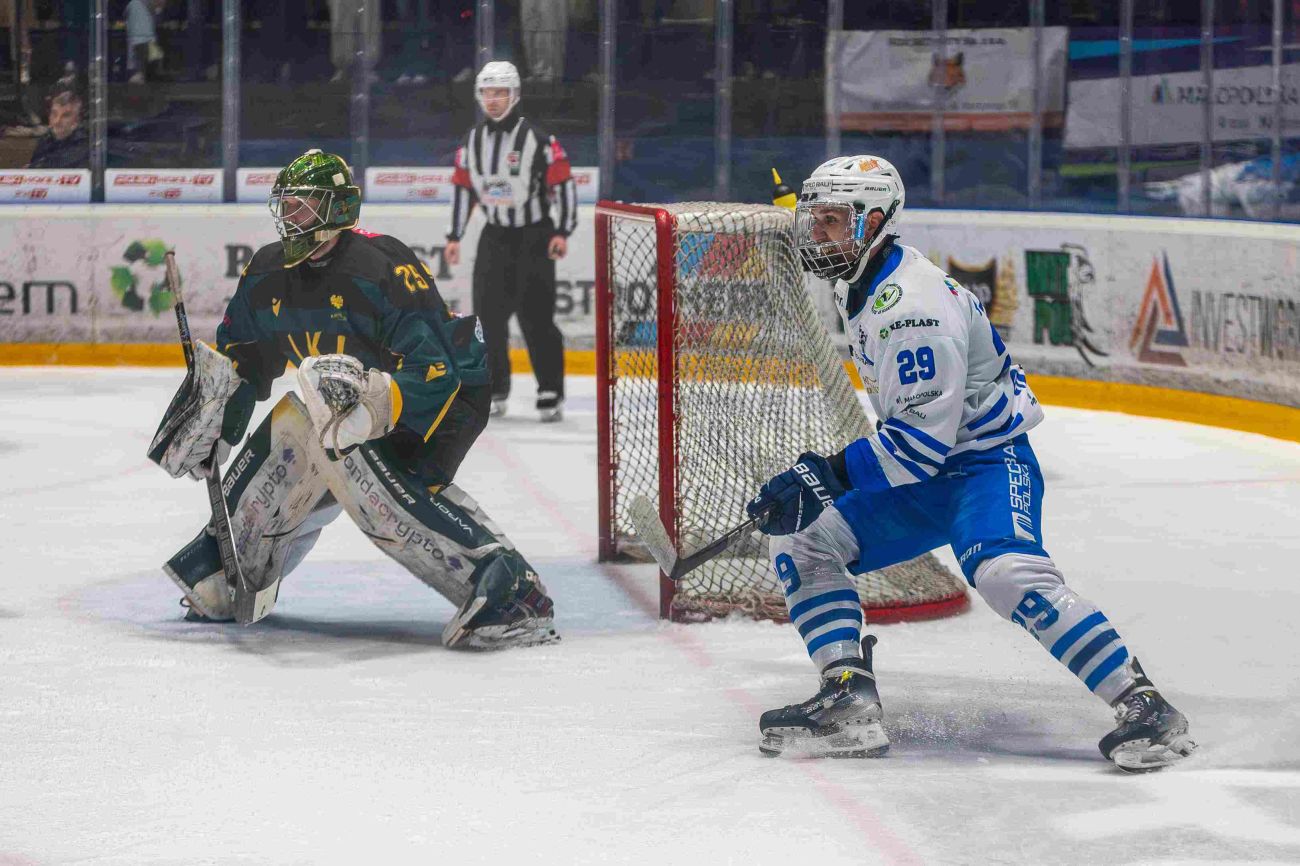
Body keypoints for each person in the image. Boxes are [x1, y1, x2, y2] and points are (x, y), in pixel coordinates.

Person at [746, 155, 1197, 771]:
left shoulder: (914, 311)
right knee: (803, 541)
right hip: (926, 474)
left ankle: (1145, 704)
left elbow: (917, 445)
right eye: (815, 220)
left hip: (984, 465)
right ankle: (847, 697)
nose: (816, 235)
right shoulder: (867, 272)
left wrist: (823, 475)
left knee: (1005, 574)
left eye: (831, 222)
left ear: (873, 221)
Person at [147, 149, 558, 650]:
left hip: (446, 395)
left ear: (337, 208)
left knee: (366, 475)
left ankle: (512, 591)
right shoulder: (266, 272)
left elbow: (434, 370)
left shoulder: (381, 266)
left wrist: (371, 412)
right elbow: (246, 359)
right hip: (345, 405)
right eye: (286, 205)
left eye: (303, 205)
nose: (289, 216)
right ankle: (229, 564)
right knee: (301, 426)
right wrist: (217, 419)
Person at [444, 60, 577, 422]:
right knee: (488, 319)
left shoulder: (539, 140)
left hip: (534, 236)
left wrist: (562, 231)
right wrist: (455, 235)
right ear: (479, 96)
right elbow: (463, 189)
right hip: (494, 235)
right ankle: (496, 388)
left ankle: (550, 390)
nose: (494, 100)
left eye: (501, 92)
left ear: (515, 95)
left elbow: (563, 183)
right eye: (487, 92)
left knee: (537, 317)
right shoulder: (471, 141)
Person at [27, 89, 88, 169]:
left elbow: (57, 167)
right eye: (54, 114)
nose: (57, 121)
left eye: (65, 116)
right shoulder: (46, 140)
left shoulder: (84, 144)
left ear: (77, 120)